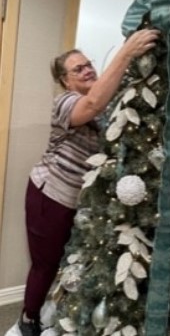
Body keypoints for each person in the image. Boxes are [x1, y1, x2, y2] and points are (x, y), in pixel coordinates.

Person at [18, 28, 160, 336]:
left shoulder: (105, 103)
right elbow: (92, 104)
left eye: (88, 64)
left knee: (69, 262)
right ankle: (27, 320)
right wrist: (126, 52)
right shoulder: (66, 102)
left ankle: (54, 314)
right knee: (46, 263)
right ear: (65, 81)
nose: (87, 70)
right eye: (78, 69)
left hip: (79, 201)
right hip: (50, 196)